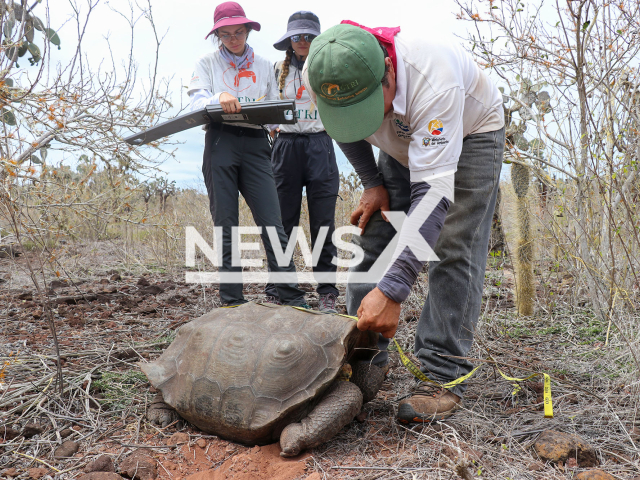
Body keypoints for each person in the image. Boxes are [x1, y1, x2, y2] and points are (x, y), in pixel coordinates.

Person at [303, 23, 505, 422]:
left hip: (468, 133)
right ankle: (360, 362)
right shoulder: (322, 72)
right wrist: (373, 182)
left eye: (364, 108)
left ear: (389, 75)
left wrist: (394, 290)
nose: (358, 119)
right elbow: (342, 129)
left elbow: (432, 198)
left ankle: (441, 374)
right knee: (375, 234)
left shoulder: (436, 80)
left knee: (451, 246)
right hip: (398, 146)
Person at [188, 1, 307, 308]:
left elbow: (272, 109)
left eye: (238, 32)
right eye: (225, 34)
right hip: (220, 141)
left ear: (248, 30)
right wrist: (219, 97)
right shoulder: (207, 64)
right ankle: (232, 301)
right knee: (226, 225)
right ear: (217, 36)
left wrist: (275, 124)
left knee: (273, 223)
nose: (233, 39)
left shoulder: (266, 65)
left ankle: (291, 297)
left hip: (256, 144)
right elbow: (196, 102)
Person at [263, 12, 340, 313]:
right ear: (289, 40)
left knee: (323, 222)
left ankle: (327, 292)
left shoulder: (330, 70)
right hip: (286, 147)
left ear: (317, 39)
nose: (303, 42)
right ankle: (278, 287)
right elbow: (264, 108)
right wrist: (270, 128)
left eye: (309, 36)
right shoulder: (274, 70)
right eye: (297, 36)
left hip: (320, 144)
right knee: (283, 223)